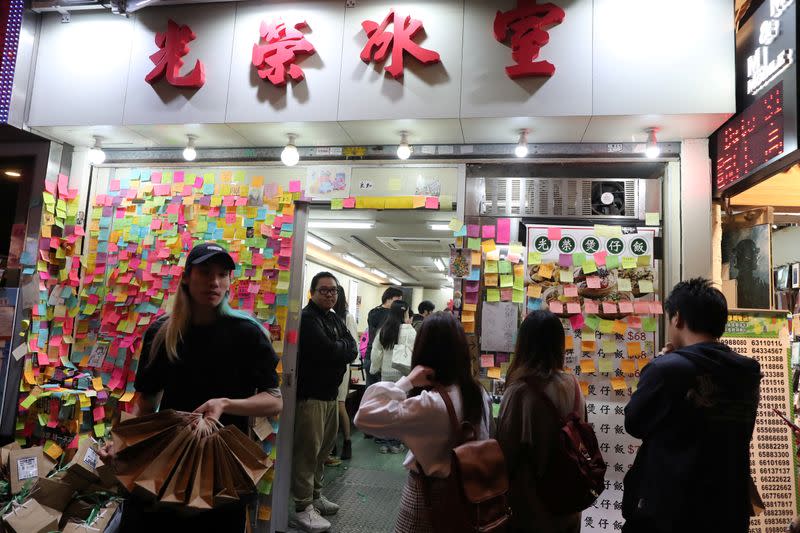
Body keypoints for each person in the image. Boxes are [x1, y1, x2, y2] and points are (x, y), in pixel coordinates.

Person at [112, 242, 283, 532]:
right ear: (187, 278)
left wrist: (225, 404)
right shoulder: (163, 332)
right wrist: (122, 443)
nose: (214, 282)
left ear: (229, 281)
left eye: (222, 274)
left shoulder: (248, 333)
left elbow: (275, 400)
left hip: (223, 466)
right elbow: (147, 400)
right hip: (167, 460)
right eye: (204, 272)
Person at [622, 278, 762, 533]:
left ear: (677, 318)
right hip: (727, 507)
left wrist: (659, 364)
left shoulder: (665, 369)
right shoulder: (748, 371)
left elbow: (634, 423)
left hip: (670, 510)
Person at [354, 312, 491, 533]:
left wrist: (406, 381)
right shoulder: (478, 393)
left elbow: (364, 415)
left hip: (427, 496)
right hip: (470, 493)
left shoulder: (429, 404)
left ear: (423, 351)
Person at [496, 310, 584, 533]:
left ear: (523, 345)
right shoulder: (573, 385)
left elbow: (505, 451)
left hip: (531, 504)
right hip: (568, 498)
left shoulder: (519, 391)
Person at [292, 272, 357, 533]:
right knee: (307, 453)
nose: (330, 294)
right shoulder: (308, 319)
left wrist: (338, 348)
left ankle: (316, 496)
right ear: (312, 292)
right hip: (312, 397)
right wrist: (339, 349)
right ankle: (302, 507)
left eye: (334, 291)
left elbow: (351, 349)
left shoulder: (332, 318)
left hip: (331, 395)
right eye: (324, 290)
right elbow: (327, 351)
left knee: (323, 452)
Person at [369, 300, 416, 454]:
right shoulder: (410, 331)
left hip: (386, 375)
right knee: (400, 411)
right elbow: (415, 352)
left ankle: (384, 443)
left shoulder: (384, 329)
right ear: (405, 313)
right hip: (403, 376)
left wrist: (374, 368)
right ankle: (396, 443)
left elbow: (376, 352)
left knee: (386, 410)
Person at [330, 285, 358, 461]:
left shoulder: (346, 317)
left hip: (342, 366)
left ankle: (347, 441)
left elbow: (353, 344)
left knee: (339, 405)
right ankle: (331, 445)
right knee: (331, 407)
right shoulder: (328, 317)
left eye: (333, 292)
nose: (330, 296)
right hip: (328, 366)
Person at [364, 287, 404, 388]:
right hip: (382, 358)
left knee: (371, 391)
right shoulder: (389, 315)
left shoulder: (373, 312)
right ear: (389, 299)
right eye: (397, 300)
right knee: (383, 393)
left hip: (370, 354)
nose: (399, 304)